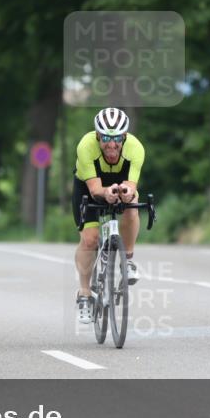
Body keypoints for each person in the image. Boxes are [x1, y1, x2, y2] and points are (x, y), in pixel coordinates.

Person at [73, 108, 145, 324]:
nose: (111, 145)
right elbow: (95, 190)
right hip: (88, 187)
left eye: (116, 139)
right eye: (105, 138)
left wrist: (125, 193)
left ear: (124, 137)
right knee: (90, 239)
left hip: (120, 182)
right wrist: (107, 193)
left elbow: (131, 185)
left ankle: (128, 260)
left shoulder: (136, 148)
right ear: (97, 136)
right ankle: (84, 294)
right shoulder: (86, 146)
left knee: (132, 203)